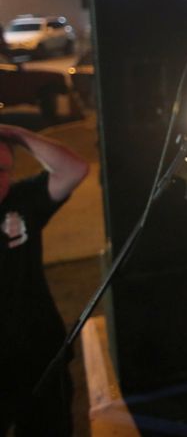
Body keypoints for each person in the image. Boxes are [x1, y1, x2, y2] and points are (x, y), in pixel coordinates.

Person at [0, 124, 89, 435]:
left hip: (40, 359)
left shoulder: (20, 201)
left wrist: (16, 134)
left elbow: (74, 169)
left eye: (3, 170)